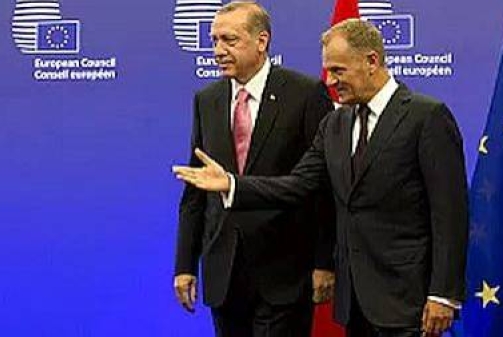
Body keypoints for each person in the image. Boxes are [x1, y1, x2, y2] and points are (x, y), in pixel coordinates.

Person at [174, 18, 469, 337]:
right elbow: (298, 184)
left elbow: (450, 214)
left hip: (410, 300)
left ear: (372, 61)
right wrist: (233, 185)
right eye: (328, 70)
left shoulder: (426, 117)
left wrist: (443, 294)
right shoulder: (335, 124)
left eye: (338, 70)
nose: (329, 80)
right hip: (356, 303)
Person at [173, 2, 336, 337]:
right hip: (224, 272)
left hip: (285, 270)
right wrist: (185, 266)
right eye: (214, 40)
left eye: (229, 40)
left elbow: (323, 185)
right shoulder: (207, 99)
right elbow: (196, 189)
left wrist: (324, 261)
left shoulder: (304, 94)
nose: (218, 50)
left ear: (262, 41)